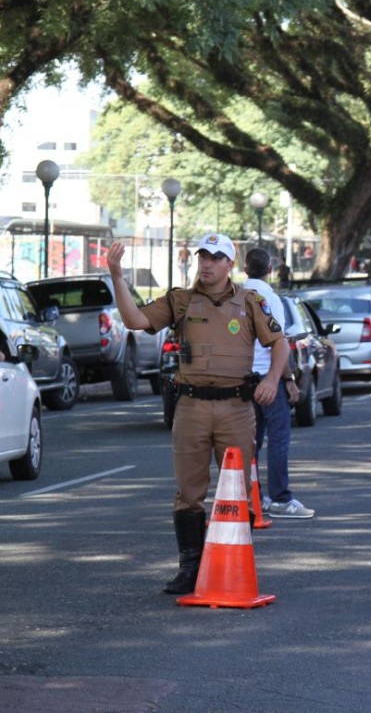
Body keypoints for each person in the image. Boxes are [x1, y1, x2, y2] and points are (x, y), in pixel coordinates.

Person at [107, 233, 290, 594]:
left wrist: (272, 379)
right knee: (189, 492)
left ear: (229, 265)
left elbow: (279, 342)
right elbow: (134, 321)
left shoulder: (250, 301)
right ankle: (190, 568)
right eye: (202, 256)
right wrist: (116, 275)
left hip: (236, 408)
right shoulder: (181, 300)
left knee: (237, 489)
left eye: (215, 257)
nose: (207, 263)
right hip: (190, 406)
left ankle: (234, 562)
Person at [243, 247, 315, 519]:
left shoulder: (237, 295)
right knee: (278, 439)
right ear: (270, 268)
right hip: (268, 377)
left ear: (245, 268)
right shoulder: (270, 299)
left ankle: (253, 496)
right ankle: (280, 498)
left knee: (250, 443)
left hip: (244, 380)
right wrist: (288, 380)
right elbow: (278, 343)